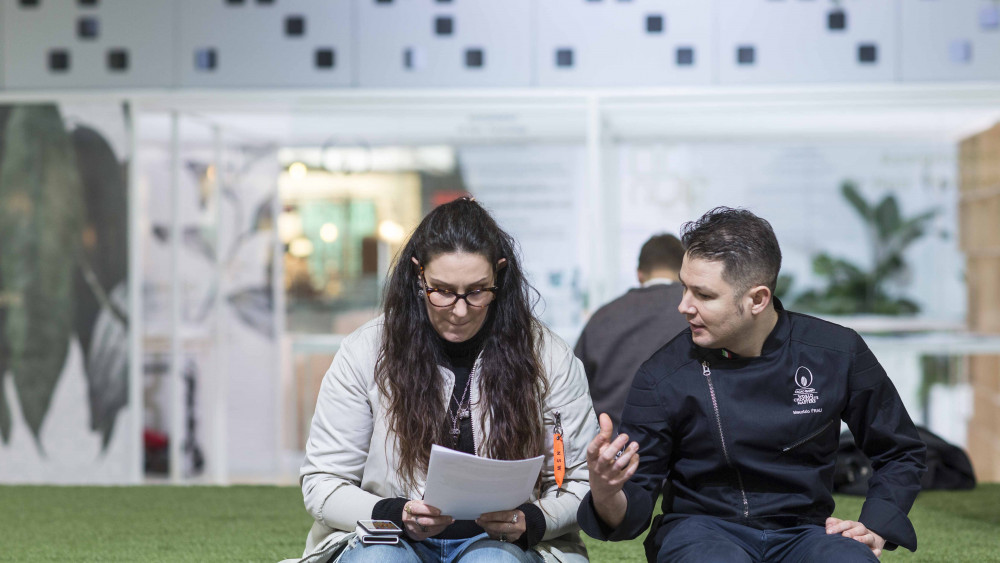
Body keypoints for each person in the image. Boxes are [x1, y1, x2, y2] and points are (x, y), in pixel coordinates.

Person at [577, 207, 927, 563]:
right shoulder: (661, 374)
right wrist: (606, 491)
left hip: (806, 533)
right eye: (684, 288)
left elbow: (900, 450)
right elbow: (632, 506)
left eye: (704, 295)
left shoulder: (837, 352)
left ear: (757, 299)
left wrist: (877, 522)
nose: (683, 306)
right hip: (701, 532)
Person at [293, 198, 597, 563]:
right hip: (389, 537)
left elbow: (579, 481)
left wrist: (531, 519)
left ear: (500, 275)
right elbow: (323, 481)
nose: (460, 309)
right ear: (417, 275)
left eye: (477, 291)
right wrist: (394, 514)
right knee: (379, 560)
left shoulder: (549, 357)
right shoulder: (366, 351)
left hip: (502, 543)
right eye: (442, 290)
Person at [574, 234, 688, 431]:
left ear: (639, 273)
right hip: (681, 451)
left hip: (612, 448)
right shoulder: (695, 315)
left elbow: (575, 388)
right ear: (684, 272)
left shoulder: (602, 317)